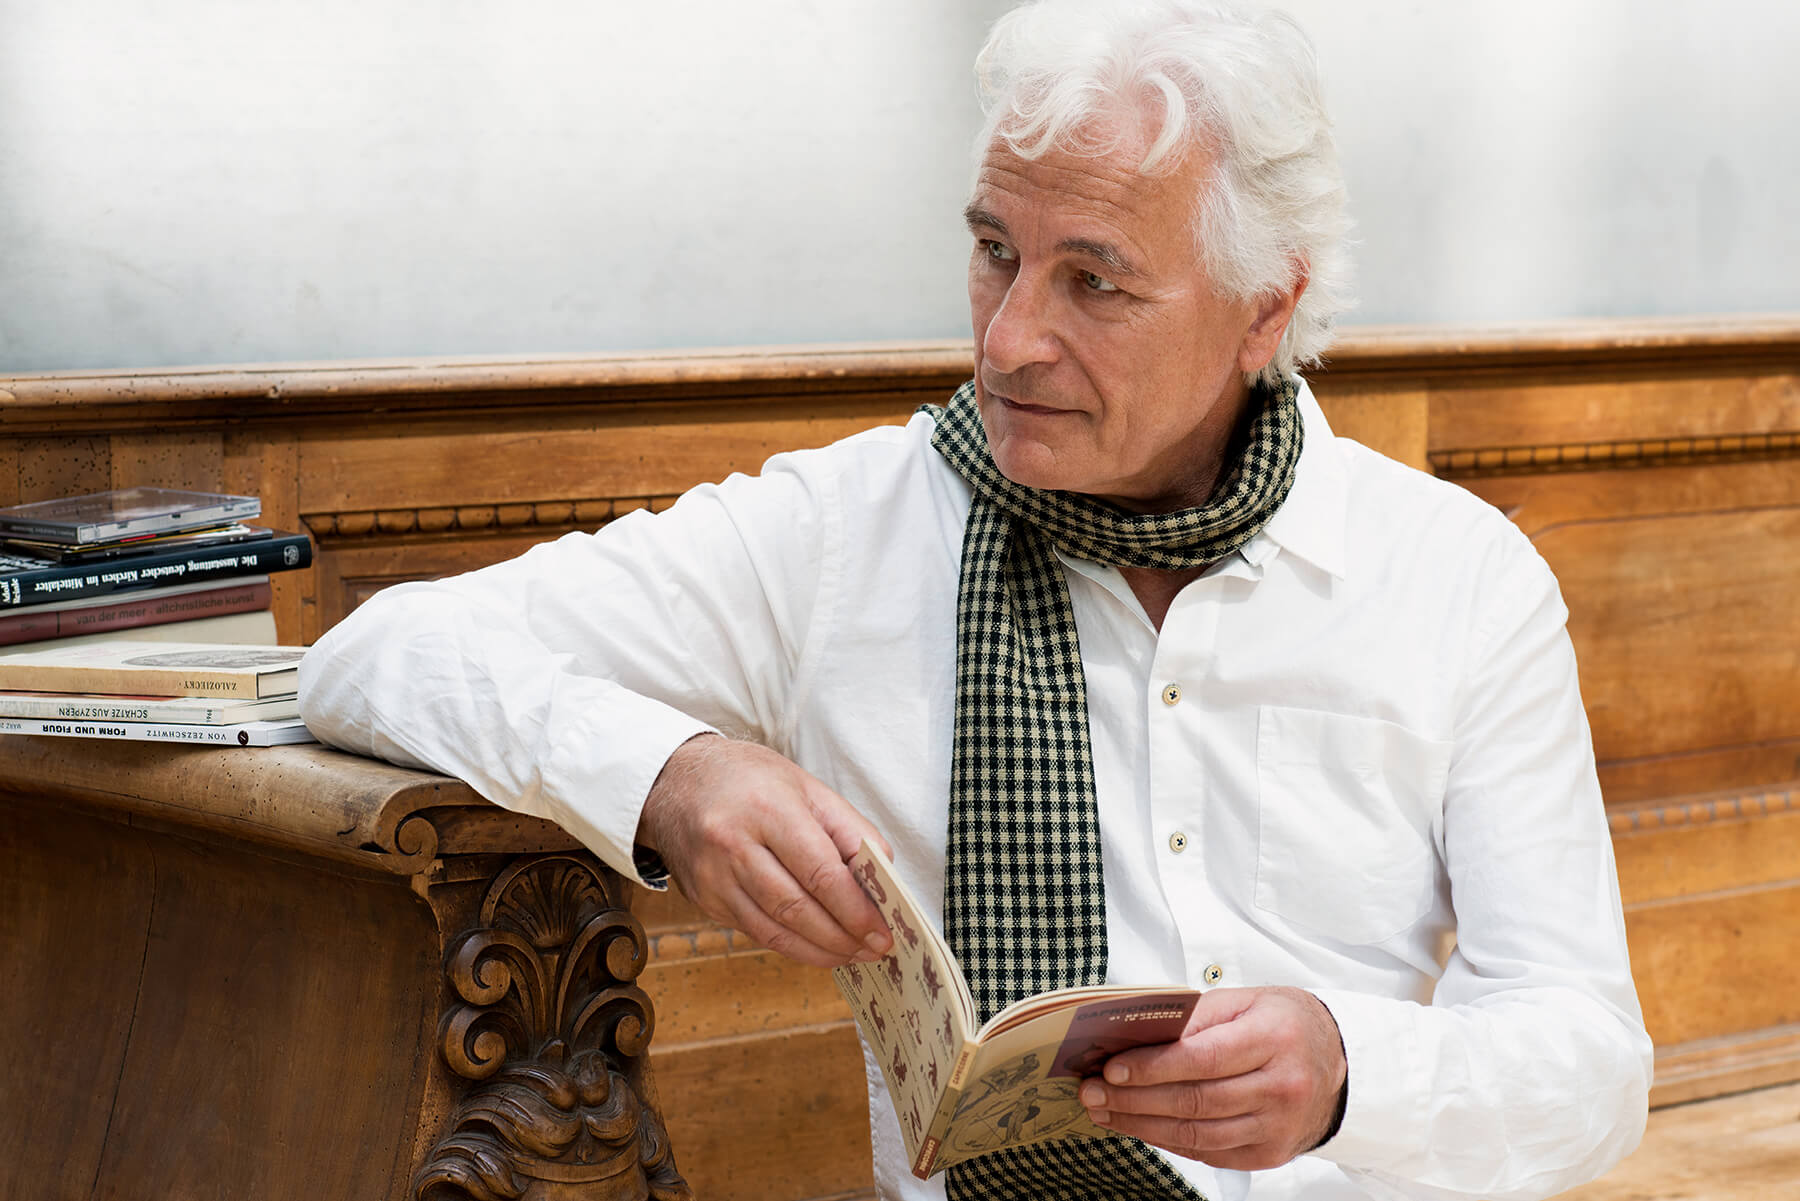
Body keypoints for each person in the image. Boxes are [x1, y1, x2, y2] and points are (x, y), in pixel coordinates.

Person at [298, 1, 1652, 1198]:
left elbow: (1589, 1064)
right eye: (996, 250)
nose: (1008, 341)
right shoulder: (847, 532)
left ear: (1263, 310)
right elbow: (374, 655)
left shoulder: (1462, 577)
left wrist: (1353, 1073)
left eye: (1094, 281)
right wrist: (673, 777)